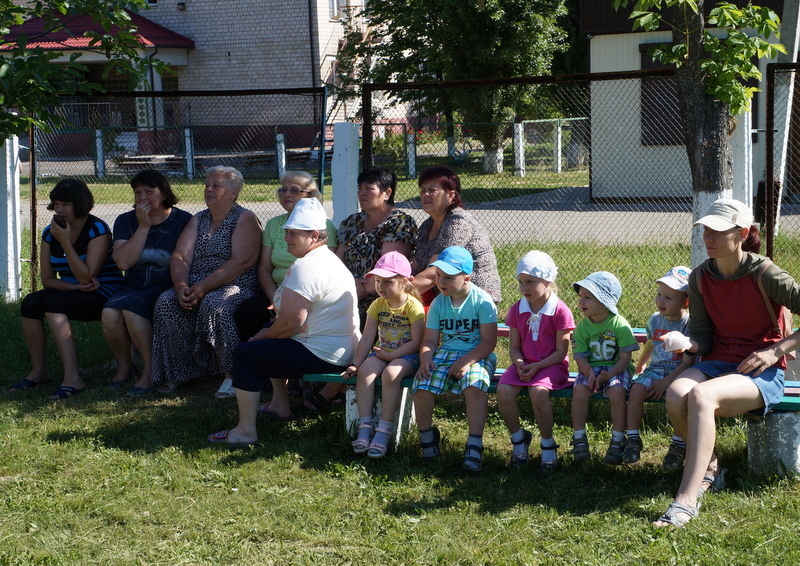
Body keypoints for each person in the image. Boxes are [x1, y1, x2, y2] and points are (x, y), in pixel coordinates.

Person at [653, 198, 800, 528]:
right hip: (718, 362)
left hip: (761, 370)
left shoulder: (766, 273)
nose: (708, 237)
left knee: (701, 396)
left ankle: (686, 500)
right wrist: (688, 343)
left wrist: (776, 351)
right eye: (706, 230)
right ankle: (710, 468)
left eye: (718, 231)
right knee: (676, 393)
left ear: (742, 233)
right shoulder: (700, 277)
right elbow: (703, 337)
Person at [207, 198, 360, 447]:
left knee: (245, 354)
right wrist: (267, 333)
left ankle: (245, 431)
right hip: (338, 348)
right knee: (269, 332)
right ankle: (279, 405)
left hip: (325, 353)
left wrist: (261, 338)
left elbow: (291, 325)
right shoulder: (325, 259)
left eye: (293, 233)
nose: (286, 238)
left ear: (313, 235)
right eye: (286, 232)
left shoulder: (307, 266)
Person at [148, 166, 261, 395]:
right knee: (167, 301)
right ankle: (179, 372)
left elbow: (241, 262)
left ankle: (233, 374)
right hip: (196, 284)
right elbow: (180, 256)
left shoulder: (245, 218)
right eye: (207, 185)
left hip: (236, 284)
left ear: (234, 192)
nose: (209, 189)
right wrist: (181, 286)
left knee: (215, 304)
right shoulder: (199, 218)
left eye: (216, 186)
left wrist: (204, 287)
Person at [224, 171, 337, 399]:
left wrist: (285, 303)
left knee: (288, 323)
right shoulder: (274, 224)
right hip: (275, 290)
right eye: (283, 189)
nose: (287, 194)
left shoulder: (323, 226)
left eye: (294, 190)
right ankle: (259, 374)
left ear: (310, 195)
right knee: (248, 311)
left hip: (308, 295)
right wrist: (275, 298)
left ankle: (290, 376)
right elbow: (264, 269)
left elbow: (325, 268)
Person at [11, 179, 122, 399]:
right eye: (56, 204)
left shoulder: (97, 229)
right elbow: (47, 279)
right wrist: (74, 286)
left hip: (104, 289)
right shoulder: (49, 233)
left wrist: (65, 242)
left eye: (66, 204)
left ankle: (73, 378)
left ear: (79, 204)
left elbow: (86, 275)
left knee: (54, 304)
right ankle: (39, 371)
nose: (59, 210)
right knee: (30, 303)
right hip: (74, 288)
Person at [324, 167, 416, 413]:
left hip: (382, 295)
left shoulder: (399, 222)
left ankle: (334, 388)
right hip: (347, 291)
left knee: (364, 315)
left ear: (387, 193)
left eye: (369, 188)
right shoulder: (351, 222)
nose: (362, 193)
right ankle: (328, 382)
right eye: (359, 188)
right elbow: (338, 263)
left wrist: (360, 288)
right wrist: (346, 286)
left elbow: (389, 272)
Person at [101, 170, 192, 395]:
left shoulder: (183, 221)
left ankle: (150, 372)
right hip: (134, 285)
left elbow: (185, 260)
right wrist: (143, 227)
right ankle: (125, 365)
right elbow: (123, 262)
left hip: (165, 285)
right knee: (109, 314)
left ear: (164, 193)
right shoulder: (126, 221)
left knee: (132, 311)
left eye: (149, 192)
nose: (142, 197)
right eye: (138, 192)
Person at [413, 246, 498, 472]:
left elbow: (488, 342)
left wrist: (466, 361)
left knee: (474, 386)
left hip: (477, 354)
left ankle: (474, 444)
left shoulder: (482, 301)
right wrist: (425, 358)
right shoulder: (439, 303)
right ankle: (427, 439)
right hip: (445, 353)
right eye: (439, 276)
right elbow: (430, 340)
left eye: (449, 278)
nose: (441, 282)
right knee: (422, 385)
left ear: (467, 278)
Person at [496, 251, 575, 472]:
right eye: (521, 282)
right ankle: (519, 439)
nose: (524, 288)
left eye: (530, 282)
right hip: (525, 365)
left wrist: (538, 366)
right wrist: (519, 363)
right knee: (503, 391)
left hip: (552, 366)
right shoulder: (517, 309)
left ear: (547, 281)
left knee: (538, 392)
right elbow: (514, 347)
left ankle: (548, 443)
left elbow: (561, 352)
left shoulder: (560, 311)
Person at [343, 251, 425, 459]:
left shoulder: (413, 306)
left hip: (408, 356)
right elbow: (367, 338)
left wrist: (392, 356)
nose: (381, 286)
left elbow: (416, 342)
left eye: (387, 282)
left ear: (404, 281)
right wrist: (357, 364)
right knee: (365, 372)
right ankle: (365, 425)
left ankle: (384, 428)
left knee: (391, 374)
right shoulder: (377, 305)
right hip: (383, 353)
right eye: (378, 281)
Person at [623, 266, 695, 465]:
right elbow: (650, 343)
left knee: (681, 397)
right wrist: (640, 365)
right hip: (655, 370)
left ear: (686, 302)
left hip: (680, 373)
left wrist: (666, 382)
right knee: (636, 390)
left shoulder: (690, 324)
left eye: (668, 298)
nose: (660, 300)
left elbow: (688, 361)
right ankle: (633, 439)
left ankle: (679, 444)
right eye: (659, 294)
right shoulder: (655, 320)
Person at [570, 271, 639, 465]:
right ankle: (579, 437)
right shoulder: (582, 326)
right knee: (579, 391)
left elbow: (625, 358)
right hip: (590, 368)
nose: (581, 302)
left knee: (617, 392)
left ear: (604, 302)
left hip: (617, 368)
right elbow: (580, 357)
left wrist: (609, 374)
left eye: (587, 297)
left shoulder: (619, 324)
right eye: (580, 296)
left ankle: (618, 439)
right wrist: (589, 373)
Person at [412, 165, 501, 305]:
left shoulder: (458, 222)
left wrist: (398, 292)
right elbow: (415, 266)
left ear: (451, 195)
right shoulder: (426, 226)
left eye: (432, 190)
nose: (425, 194)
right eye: (423, 190)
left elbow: (434, 273)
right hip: (444, 299)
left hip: (474, 301)